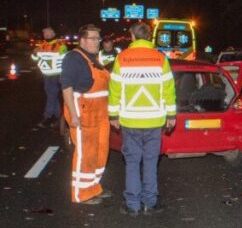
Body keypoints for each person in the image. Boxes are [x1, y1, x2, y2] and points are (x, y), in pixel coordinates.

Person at [108, 22, 176, 216]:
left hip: (130, 122)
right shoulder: (160, 59)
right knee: (150, 162)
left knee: (132, 163)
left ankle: (132, 205)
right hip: (154, 122)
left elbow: (115, 91)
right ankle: (150, 203)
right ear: (150, 36)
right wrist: (171, 116)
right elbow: (168, 91)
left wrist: (113, 115)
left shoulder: (122, 59)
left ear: (132, 35)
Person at [60, 24, 112, 204]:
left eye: (98, 38)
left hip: (100, 112)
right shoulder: (73, 58)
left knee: (100, 150)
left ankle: (93, 186)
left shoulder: (94, 58)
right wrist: (73, 116)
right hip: (84, 111)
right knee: (86, 153)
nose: (97, 42)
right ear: (82, 40)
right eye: (93, 39)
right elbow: (66, 88)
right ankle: (81, 193)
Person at [31, 26, 68, 128]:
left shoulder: (60, 45)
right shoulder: (42, 45)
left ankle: (47, 116)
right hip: (46, 75)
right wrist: (34, 53)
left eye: (48, 33)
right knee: (52, 95)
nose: (46, 35)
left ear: (53, 34)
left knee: (51, 95)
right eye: (44, 33)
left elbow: (65, 59)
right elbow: (35, 59)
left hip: (56, 75)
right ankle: (58, 116)